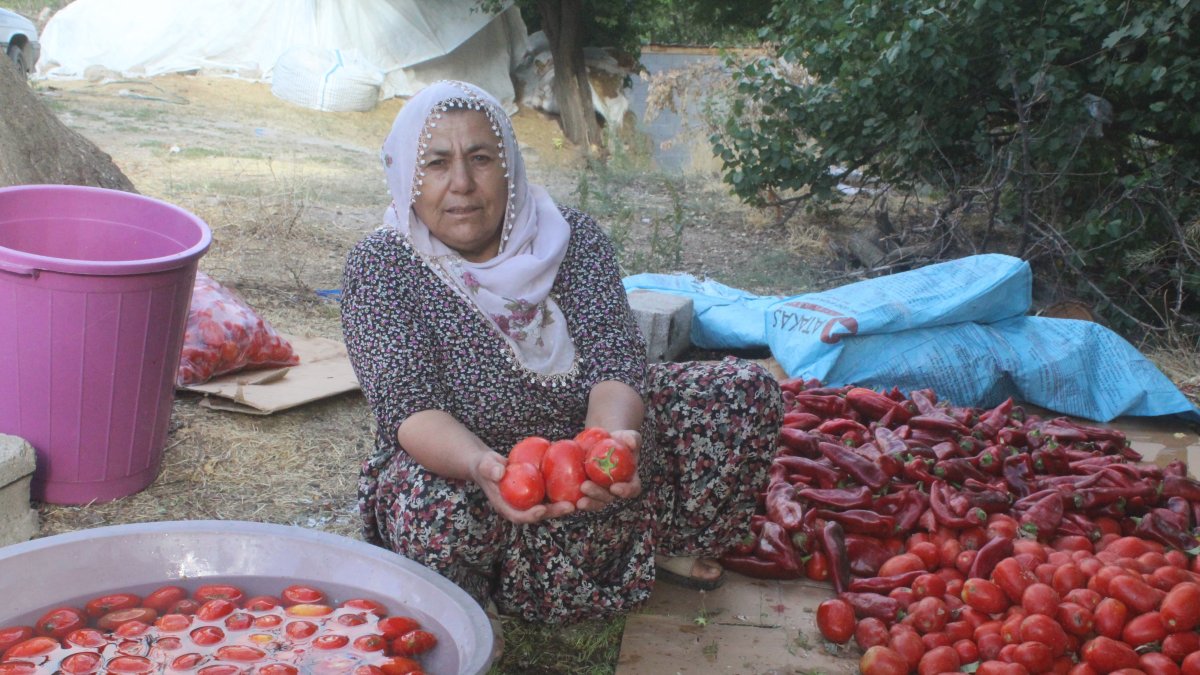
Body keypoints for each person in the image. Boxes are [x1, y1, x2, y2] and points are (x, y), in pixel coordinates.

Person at [340, 80, 782, 624]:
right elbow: (409, 408)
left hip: (581, 435)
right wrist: (482, 465)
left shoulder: (570, 236)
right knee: (440, 510)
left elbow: (616, 361)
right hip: (468, 458)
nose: (461, 183)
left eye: (481, 158)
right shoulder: (383, 265)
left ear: (510, 167)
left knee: (741, 391)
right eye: (435, 163)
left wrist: (603, 446)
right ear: (407, 174)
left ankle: (669, 541)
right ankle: (469, 605)